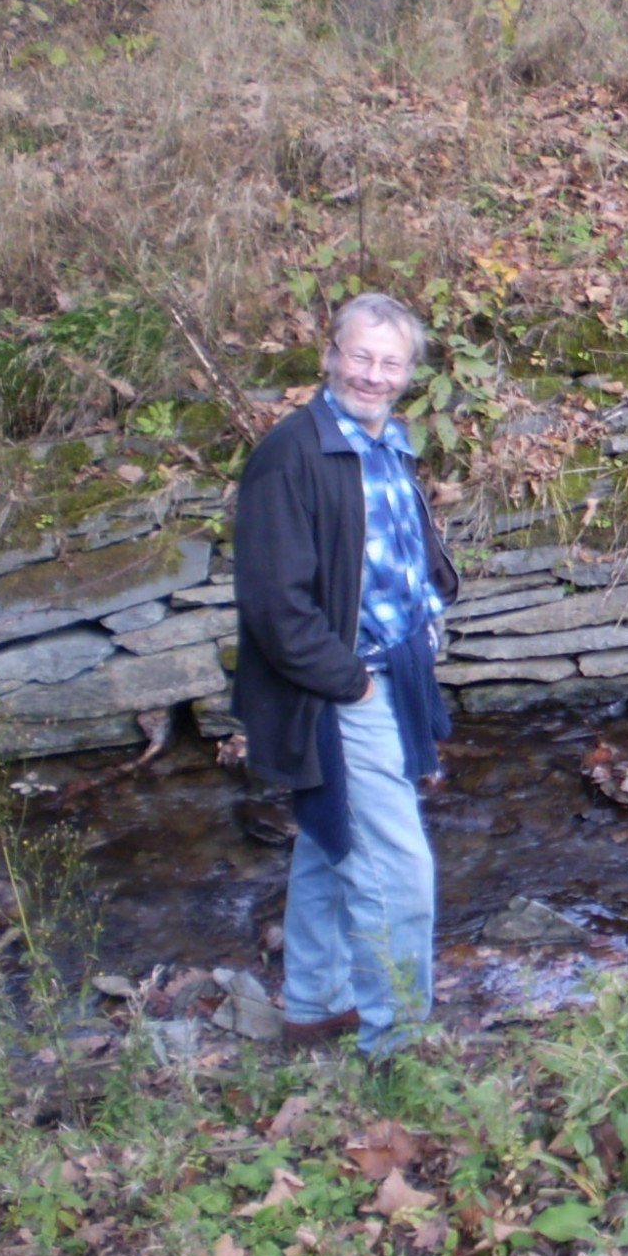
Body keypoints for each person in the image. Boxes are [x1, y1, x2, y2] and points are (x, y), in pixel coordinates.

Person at [232, 292, 460, 1057]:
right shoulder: (291, 453)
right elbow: (275, 604)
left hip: (396, 672)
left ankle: (316, 1003)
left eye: (390, 362)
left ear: (408, 374)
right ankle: (399, 1048)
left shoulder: (387, 441)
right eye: (360, 356)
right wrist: (352, 684)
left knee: (333, 840)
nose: (373, 374)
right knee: (397, 868)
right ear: (330, 354)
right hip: (342, 685)